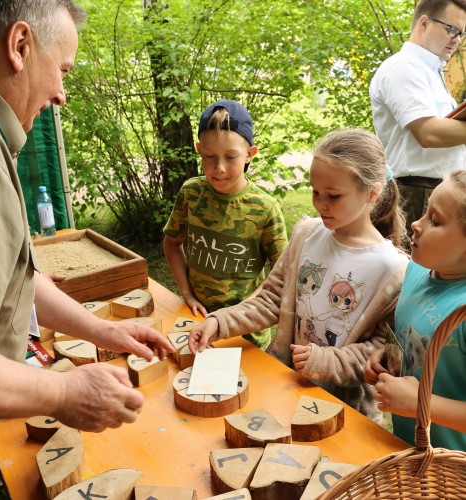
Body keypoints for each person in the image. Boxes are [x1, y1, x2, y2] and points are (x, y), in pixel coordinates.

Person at [0, 1, 174, 497]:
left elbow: (16, 276)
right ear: (20, 46)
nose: (61, 94)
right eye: (61, 70)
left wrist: (103, 328)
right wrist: (64, 391)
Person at [189, 128, 409, 422]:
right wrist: (221, 321)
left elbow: (384, 354)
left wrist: (325, 362)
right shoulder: (307, 235)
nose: (320, 203)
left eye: (333, 195)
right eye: (315, 191)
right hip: (288, 386)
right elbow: (271, 300)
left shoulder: (393, 271)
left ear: (372, 193)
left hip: (344, 412)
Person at [163, 99, 288, 349]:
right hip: (194, 320)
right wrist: (187, 294)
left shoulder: (265, 208)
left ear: (250, 154)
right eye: (209, 156)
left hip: (244, 334)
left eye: (231, 157)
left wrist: (236, 316)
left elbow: (281, 276)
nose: (218, 168)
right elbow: (172, 243)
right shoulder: (190, 193)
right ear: (199, 150)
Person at [365, 170, 466, 451]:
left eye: (435, 220)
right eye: (425, 212)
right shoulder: (417, 270)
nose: (416, 224)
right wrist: (387, 357)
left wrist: (421, 403)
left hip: (452, 471)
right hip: (403, 448)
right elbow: (418, 338)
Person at [370, 0, 466, 240]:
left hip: (437, 191)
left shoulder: (429, 71)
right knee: (413, 273)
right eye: (451, 29)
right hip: (416, 193)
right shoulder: (402, 67)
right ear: (424, 22)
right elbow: (429, 133)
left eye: (462, 33)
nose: (457, 39)